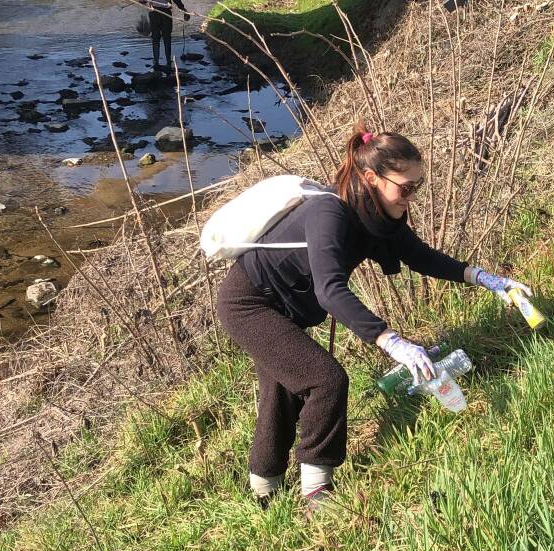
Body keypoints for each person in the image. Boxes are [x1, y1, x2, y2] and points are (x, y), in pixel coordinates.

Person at [216, 124, 533, 510]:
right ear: (371, 178)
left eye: (417, 186)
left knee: (282, 389)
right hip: (249, 304)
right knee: (325, 379)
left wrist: (486, 279)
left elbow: (423, 256)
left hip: (283, 307)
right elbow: (329, 290)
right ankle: (317, 493)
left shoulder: (378, 218)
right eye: (405, 187)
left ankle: (263, 490)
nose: (411, 197)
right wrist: (391, 341)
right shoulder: (328, 212)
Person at [141, 0, 190, 73]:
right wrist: (184, 10)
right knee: (167, 38)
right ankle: (168, 62)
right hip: (165, 14)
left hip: (154, 13)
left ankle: (156, 62)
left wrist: (142, 1)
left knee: (155, 39)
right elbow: (177, 0)